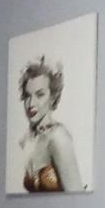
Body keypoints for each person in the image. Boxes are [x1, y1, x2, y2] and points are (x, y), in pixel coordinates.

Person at [16, 57, 81, 191]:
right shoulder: (28, 138)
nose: (31, 103)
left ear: (52, 97)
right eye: (27, 96)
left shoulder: (58, 137)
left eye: (40, 95)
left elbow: (75, 194)